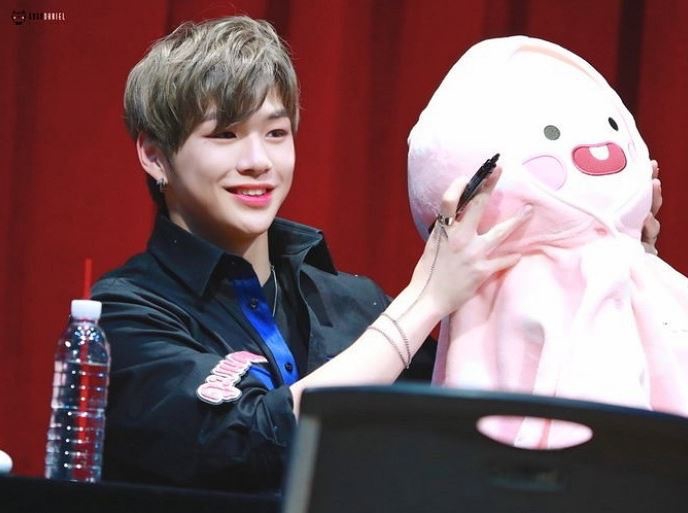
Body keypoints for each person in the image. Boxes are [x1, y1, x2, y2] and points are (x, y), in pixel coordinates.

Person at [91, 16, 661, 492]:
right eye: (225, 135)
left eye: (276, 133)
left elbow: (489, 422)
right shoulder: (125, 314)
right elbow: (248, 443)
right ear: (155, 155)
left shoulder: (351, 301)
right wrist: (425, 300)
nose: (258, 161)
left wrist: (609, 261)